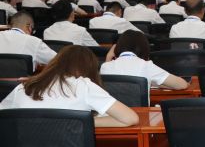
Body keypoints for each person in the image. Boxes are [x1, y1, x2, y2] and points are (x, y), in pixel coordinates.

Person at [0, 45, 139, 127]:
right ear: (90, 69)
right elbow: (130, 118)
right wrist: (81, 121)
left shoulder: (24, 87)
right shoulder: (84, 85)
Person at [101, 30, 188, 89]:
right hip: (140, 112)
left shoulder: (105, 66)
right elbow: (182, 85)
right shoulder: (146, 66)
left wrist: (108, 57)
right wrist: (153, 83)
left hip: (113, 112)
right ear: (144, 48)